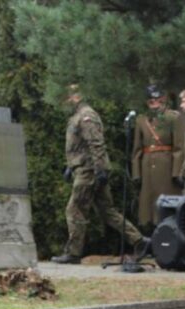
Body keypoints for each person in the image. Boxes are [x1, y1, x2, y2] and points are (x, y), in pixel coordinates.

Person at [52, 84, 153, 264]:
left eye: (68, 97)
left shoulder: (86, 116)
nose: (65, 101)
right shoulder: (78, 116)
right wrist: (70, 166)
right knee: (107, 211)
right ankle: (139, 241)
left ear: (76, 97)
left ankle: (74, 253)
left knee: (74, 209)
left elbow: (96, 144)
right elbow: (80, 146)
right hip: (85, 168)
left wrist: (99, 170)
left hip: (88, 171)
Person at [131, 84, 185, 228]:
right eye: (150, 101)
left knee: (166, 204)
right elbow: (137, 149)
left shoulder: (173, 118)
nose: (154, 104)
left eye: (157, 100)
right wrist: (137, 173)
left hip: (166, 167)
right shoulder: (141, 120)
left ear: (163, 99)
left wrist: (177, 172)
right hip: (147, 168)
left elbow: (179, 147)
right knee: (148, 208)